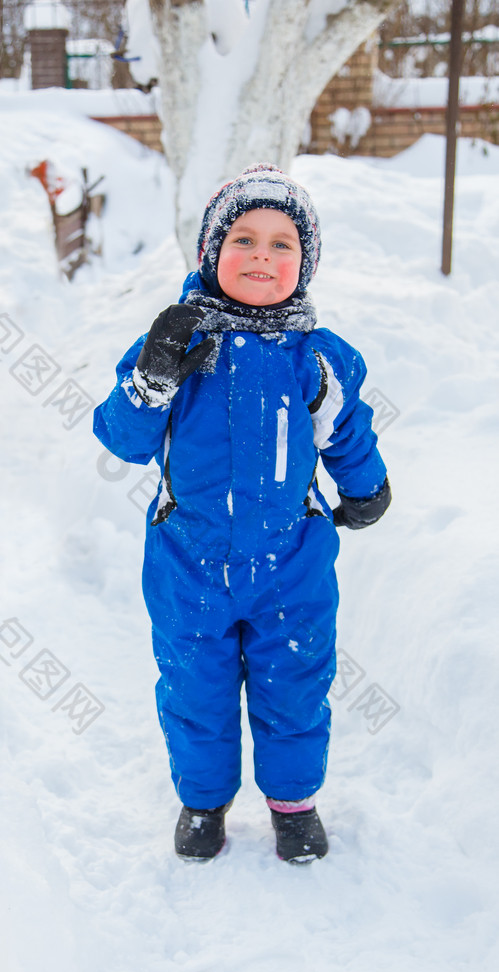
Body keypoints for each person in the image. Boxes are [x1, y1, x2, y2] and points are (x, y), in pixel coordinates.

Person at [93, 163, 391, 864]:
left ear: (305, 262)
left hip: (292, 563)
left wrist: (365, 488)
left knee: (295, 684)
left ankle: (293, 804)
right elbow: (121, 439)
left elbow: (347, 431)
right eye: (244, 240)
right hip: (187, 562)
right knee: (194, 688)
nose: (261, 256)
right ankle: (202, 803)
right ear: (210, 253)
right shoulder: (177, 340)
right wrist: (152, 378)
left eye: (282, 244)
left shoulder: (318, 358)